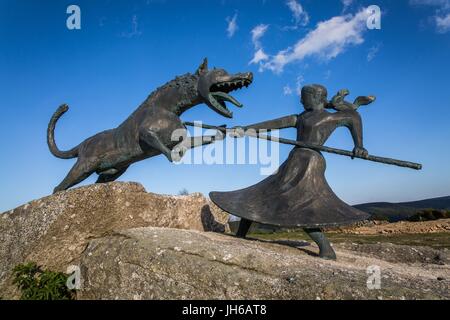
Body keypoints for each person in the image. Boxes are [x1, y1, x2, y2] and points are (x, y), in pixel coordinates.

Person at [209, 84, 371, 260]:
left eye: (304, 97)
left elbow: (353, 117)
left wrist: (359, 146)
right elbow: (273, 124)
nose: (301, 100)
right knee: (261, 193)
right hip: (294, 160)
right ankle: (241, 234)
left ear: (317, 97)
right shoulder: (300, 117)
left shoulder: (330, 117)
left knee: (299, 204)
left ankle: (326, 249)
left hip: (310, 163)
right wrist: (242, 129)